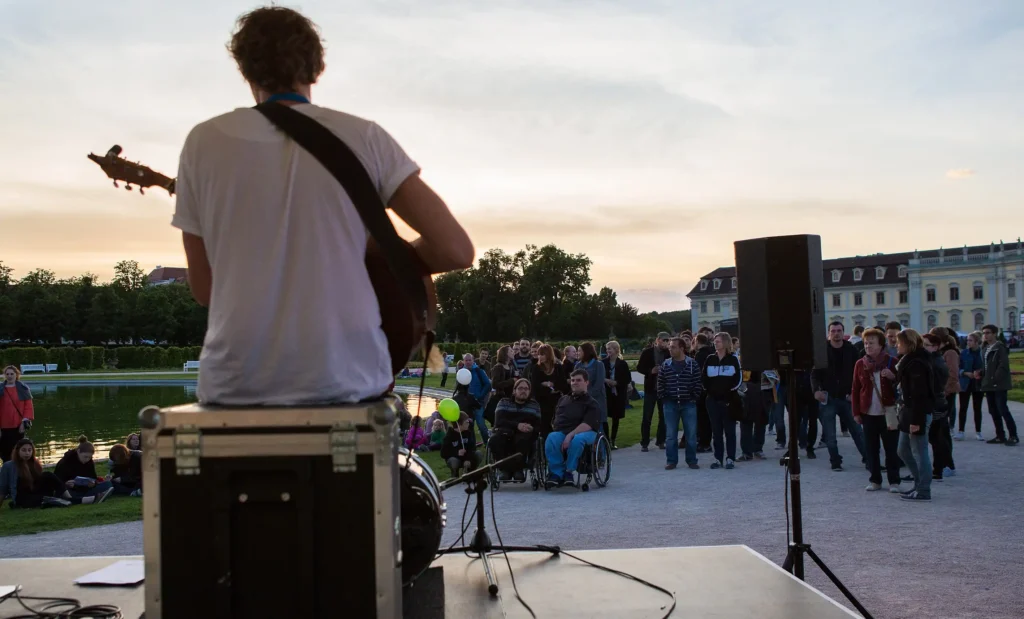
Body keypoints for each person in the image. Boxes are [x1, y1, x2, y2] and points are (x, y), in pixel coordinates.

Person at [172, 6, 474, 406]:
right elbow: (455, 249)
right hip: (345, 379)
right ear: (316, 67)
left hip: (236, 384)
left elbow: (206, 288)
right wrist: (379, 258)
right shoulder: (364, 137)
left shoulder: (202, 143)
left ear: (245, 70)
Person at [810, 322, 866, 472]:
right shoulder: (822, 350)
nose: (836, 333)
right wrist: (816, 391)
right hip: (828, 397)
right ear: (829, 333)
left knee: (857, 431)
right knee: (830, 434)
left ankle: (868, 459)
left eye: (839, 330)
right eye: (833, 331)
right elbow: (814, 374)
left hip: (847, 397)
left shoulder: (851, 349)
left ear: (843, 332)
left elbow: (859, 374)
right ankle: (835, 461)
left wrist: (855, 393)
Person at [852, 328, 901, 492]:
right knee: (871, 449)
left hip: (888, 412)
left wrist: (893, 377)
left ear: (881, 344)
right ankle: (875, 480)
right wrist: (856, 412)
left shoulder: (892, 362)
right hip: (868, 413)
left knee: (891, 449)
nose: (867, 346)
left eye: (871, 343)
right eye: (866, 343)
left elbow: (902, 385)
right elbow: (855, 389)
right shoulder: (861, 363)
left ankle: (894, 481)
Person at [0, 439, 109, 508]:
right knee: (47, 499)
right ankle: (85, 499)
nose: (27, 453)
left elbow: (41, 482)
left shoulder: (34, 463)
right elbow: (2, 489)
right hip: (23, 497)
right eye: (24, 450)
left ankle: (69, 497)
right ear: (17, 451)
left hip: (36, 491)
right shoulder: (9, 466)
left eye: (29, 450)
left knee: (48, 475)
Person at [545, 370, 602, 488]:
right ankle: (556, 473)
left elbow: (588, 424)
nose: (575, 383)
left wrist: (570, 435)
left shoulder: (592, 403)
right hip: (563, 431)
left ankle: (569, 471)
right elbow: (555, 419)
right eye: (573, 380)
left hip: (586, 432)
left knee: (577, 440)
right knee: (552, 437)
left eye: (579, 380)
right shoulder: (563, 400)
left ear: (587, 382)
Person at [895, 329, 934, 502]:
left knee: (919, 451)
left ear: (908, 343)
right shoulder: (909, 361)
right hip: (908, 412)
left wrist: (916, 421)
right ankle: (919, 484)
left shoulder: (917, 363)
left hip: (916, 413)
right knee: (903, 450)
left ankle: (924, 489)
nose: (897, 345)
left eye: (899, 342)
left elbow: (920, 395)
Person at [658, 337, 703, 470]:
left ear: (681, 348)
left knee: (691, 434)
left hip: (688, 403)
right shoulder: (666, 364)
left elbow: (697, 382)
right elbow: (660, 383)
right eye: (670, 347)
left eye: (673, 347)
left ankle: (691, 460)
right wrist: (664, 397)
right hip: (670, 404)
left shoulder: (692, 364)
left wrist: (693, 397)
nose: (670, 349)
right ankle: (671, 461)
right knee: (671, 435)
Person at [702, 333, 742, 469]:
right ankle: (717, 458)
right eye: (714, 341)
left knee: (729, 431)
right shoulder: (710, 358)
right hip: (712, 400)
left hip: (728, 400)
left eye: (718, 341)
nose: (715, 343)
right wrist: (710, 391)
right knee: (716, 431)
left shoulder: (733, 359)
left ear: (725, 343)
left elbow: (738, 379)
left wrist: (727, 392)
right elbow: (704, 378)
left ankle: (730, 458)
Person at [489, 379, 542, 482]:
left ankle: (517, 469)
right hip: (505, 432)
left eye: (526, 389)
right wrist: (517, 425)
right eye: (520, 388)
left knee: (524, 440)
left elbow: (539, 426)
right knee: (495, 440)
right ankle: (505, 469)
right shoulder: (504, 402)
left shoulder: (534, 405)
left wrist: (532, 428)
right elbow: (499, 421)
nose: (523, 391)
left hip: (524, 435)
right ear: (514, 391)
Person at [977, 324, 1018, 446]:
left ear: (994, 334)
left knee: (1003, 409)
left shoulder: (1000, 347)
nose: (985, 335)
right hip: (988, 384)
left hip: (999, 384)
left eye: (988, 332)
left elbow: (1003, 365)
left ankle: (1013, 435)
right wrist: (980, 373)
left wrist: (994, 378)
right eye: (984, 333)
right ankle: (1000, 435)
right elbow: (986, 366)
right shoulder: (985, 348)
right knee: (993, 411)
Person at [922, 334, 955, 480]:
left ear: (935, 346)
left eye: (926, 345)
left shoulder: (934, 362)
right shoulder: (933, 360)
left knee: (935, 438)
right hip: (937, 402)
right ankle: (940, 468)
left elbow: (933, 385)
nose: (923, 348)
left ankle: (938, 468)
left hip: (935, 403)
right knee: (936, 438)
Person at [53, 436, 115, 503]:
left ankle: (90, 497)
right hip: (71, 490)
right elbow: (57, 481)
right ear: (78, 451)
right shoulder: (65, 462)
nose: (87, 459)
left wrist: (93, 483)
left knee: (108, 484)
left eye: (89, 457)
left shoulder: (89, 462)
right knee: (65, 493)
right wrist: (67, 484)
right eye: (85, 457)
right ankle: (90, 497)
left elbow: (93, 478)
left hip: (85, 489)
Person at [636, 333, 671, 451]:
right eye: (664, 340)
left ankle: (661, 441)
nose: (666, 342)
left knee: (664, 416)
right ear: (658, 340)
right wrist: (650, 371)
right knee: (647, 416)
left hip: (664, 389)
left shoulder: (668, 353)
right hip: (651, 388)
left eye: (668, 340)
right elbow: (639, 367)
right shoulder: (647, 352)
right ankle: (644, 443)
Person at [529, 344, 567, 437]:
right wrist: (544, 385)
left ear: (548, 354)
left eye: (542, 354)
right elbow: (534, 386)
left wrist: (553, 385)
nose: (539, 357)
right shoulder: (536, 368)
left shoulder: (558, 368)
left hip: (557, 401)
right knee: (545, 426)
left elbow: (563, 383)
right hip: (542, 402)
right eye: (539, 354)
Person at [1, 365, 34, 464]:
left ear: (16, 375)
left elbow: (28, 407)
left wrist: (24, 423)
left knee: (17, 450)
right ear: (4, 375)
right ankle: (7, 470)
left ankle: (19, 470)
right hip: (3, 426)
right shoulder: (0, 389)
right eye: (7, 374)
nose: (10, 376)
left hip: (18, 425)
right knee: (4, 451)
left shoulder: (23, 388)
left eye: (12, 374)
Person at [955, 331, 985, 441]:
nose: (968, 342)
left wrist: (980, 372)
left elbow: (986, 367)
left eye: (970, 340)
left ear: (977, 342)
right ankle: (961, 431)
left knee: (977, 408)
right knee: (963, 407)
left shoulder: (982, 353)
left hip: (978, 383)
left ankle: (978, 431)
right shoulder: (963, 353)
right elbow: (958, 367)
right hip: (965, 382)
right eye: (967, 340)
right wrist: (964, 373)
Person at [458, 353, 492, 443]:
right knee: (468, 425)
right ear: (464, 361)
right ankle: (470, 444)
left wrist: (480, 395)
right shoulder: (461, 372)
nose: (468, 362)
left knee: (481, 425)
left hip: (478, 403)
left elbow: (488, 384)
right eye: (466, 360)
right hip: (467, 404)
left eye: (470, 360)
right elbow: (458, 387)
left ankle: (487, 443)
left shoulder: (479, 371)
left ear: (473, 360)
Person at [602, 341, 631, 449]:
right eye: (607, 349)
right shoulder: (603, 363)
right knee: (604, 416)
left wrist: (617, 383)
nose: (608, 351)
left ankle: (612, 440)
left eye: (610, 348)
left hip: (618, 393)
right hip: (606, 392)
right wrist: (606, 380)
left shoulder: (622, 364)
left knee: (616, 417)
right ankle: (605, 439)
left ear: (616, 350)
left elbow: (627, 379)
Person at [575, 342, 608, 432]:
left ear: (586, 352)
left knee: (598, 428)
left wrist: (586, 395)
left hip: (597, 401)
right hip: (582, 402)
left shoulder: (598, 365)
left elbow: (599, 384)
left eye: (579, 351)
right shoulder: (578, 366)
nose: (577, 353)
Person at [441, 412, 479, 478]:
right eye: (466, 422)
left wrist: (468, 459)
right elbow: (443, 453)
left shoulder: (468, 433)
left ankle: (471, 472)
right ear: (459, 424)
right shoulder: (449, 436)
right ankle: (455, 474)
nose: (468, 423)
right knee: (453, 461)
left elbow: (472, 448)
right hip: (455, 458)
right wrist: (457, 452)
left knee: (478, 454)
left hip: (466, 457)